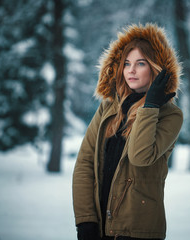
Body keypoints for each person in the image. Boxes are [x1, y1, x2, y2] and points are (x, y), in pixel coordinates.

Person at [72, 23, 183, 240]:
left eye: (140, 63)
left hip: (139, 231)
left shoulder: (170, 115)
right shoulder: (108, 107)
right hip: (99, 227)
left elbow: (140, 157)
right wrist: (85, 220)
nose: (131, 70)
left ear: (156, 67)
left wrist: (150, 106)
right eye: (126, 63)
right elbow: (85, 164)